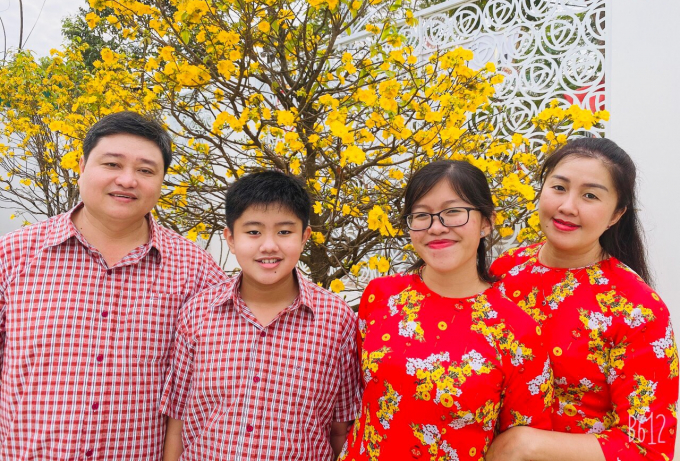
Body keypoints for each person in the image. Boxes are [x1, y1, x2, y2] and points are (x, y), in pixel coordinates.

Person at [0, 111, 226, 460]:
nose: (127, 180)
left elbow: (208, 387)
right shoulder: (14, 255)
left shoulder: (196, 271)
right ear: (81, 166)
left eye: (146, 171)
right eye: (112, 164)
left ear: (161, 180)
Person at [339, 160, 553, 461]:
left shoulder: (518, 330)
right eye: (421, 215)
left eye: (453, 212)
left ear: (486, 222)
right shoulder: (382, 296)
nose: (436, 227)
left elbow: (526, 441)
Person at [487, 137, 678, 461]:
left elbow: (647, 447)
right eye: (559, 188)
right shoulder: (505, 271)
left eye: (590, 195)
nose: (567, 206)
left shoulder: (637, 309)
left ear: (617, 213)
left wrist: (525, 445)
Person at [160, 170, 362, 461]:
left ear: (304, 237)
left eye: (284, 232)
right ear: (230, 238)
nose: (269, 245)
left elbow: (340, 429)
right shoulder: (198, 313)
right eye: (253, 232)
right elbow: (178, 419)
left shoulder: (336, 320)